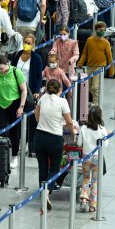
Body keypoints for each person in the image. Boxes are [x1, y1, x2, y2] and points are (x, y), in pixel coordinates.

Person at [34, 79, 75, 209]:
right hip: (55, 139)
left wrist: (41, 124)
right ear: (60, 90)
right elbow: (69, 122)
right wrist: (73, 133)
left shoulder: (42, 98)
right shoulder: (63, 102)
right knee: (55, 169)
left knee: (43, 167)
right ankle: (46, 192)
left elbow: (36, 113)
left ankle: (42, 192)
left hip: (39, 137)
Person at [0, 54, 28, 168]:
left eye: (2, 68)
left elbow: (24, 90)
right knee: (0, 131)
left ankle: (14, 156)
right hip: (1, 104)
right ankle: (2, 155)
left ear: (7, 64)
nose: (0, 71)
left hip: (14, 103)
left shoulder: (16, 72)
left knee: (15, 131)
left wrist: (21, 106)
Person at [77, 106, 108, 212]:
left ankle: (84, 198)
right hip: (97, 158)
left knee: (86, 178)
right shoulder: (102, 130)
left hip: (86, 157)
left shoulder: (83, 128)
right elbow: (105, 145)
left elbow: (79, 143)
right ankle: (92, 205)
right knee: (94, 181)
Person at [77, 21, 115, 105]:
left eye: (103, 30)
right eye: (99, 29)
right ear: (95, 30)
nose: (101, 31)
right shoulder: (89, 40)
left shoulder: (106, 43)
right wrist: (80, 63)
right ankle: (95, 103)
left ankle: (96, 105)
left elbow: (109, 57)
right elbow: (84, 53)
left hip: (99, 67)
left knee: (95, 87)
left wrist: (111, 71)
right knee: (90, 87)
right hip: (89, 66)